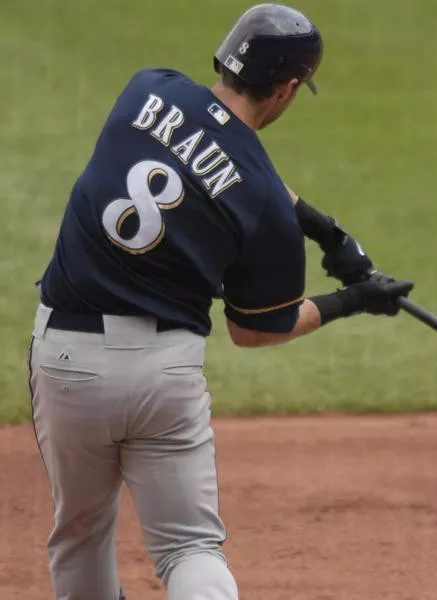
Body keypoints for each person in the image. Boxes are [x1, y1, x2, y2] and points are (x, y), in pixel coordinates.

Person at [28, 4, 412, 599]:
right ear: (287, 90)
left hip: (67, 361)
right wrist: (353, 298)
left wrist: (322, 227)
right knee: (187, 548)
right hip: (163, 377)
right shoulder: (261, 205)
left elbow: (207, 146)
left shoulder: (147, 90)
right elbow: (257, 330)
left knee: (79, 534)